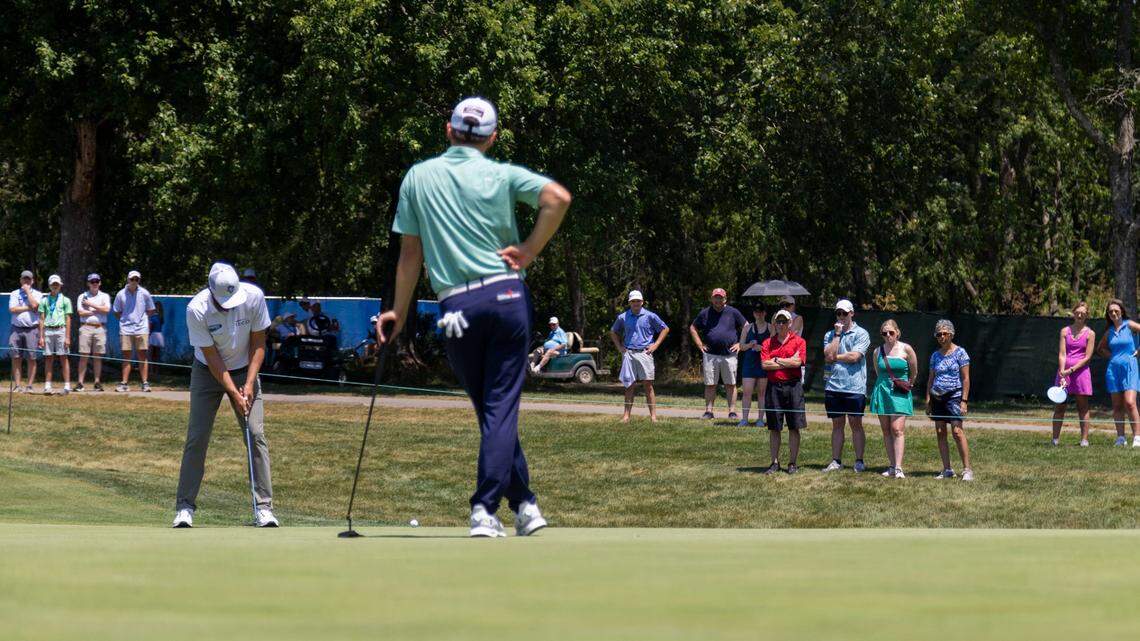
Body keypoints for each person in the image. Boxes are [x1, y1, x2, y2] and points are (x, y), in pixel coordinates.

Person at [376, 96, 572, 538]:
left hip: (456, 309)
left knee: (491, 409)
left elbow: (410, 254)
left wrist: (398, 312)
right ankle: (518, 504)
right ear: (493, 138)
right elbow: (557, 198)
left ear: (448, 131)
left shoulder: (418, 177)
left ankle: (498, 506)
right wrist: (529, 249)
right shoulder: (501, 174)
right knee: (497, 409)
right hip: (507, 299)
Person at [173, 262, 278, 528]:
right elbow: (213, 359)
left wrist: (250, 382)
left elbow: (258, 343)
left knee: (255, 434)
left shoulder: (253, 297)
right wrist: (233, 392)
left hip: (246, 370)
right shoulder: (196, 309)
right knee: (197, 437)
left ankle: (263, 508)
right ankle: (185, 507)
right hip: (207, 371)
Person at [821, 299, 871, 473]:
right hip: (833, 387)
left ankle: (859, 461)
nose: (841, 316)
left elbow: (855, 357)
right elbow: (827, 355)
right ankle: (836, 461)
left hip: (854, 388)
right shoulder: (830, 335)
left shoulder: (862, 333)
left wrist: (836, 357)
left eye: (844, 313)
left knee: (856, 424)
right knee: (837, 425)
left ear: (852, 313)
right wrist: (836, 335)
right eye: (838, 313)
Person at [610, 290, 670, 423]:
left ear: (642, 302)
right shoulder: (623, 317)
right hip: (629, 354)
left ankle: (653, 417)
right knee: (629, 385)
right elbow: (613, 332)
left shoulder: (650, 316)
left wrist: (656, 345)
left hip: (645, 353)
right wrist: (620, 347)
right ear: (629, 303)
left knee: (648, 385)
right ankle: (626, 416)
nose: (636, 303)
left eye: (638, 301)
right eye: (633, 301)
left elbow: (665, 329)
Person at [760, 309, 807, 474]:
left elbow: (798, 362)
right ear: (774, 324)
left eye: (783, 321)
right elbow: (765, 365)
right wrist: (788, 361)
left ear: (790, 323)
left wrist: (777, 360)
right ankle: (774, 462)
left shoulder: (799, 341)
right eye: (778, 322)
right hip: (774, 387)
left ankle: (792, 463)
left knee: (794, 426)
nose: (780, 324)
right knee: (774, 427)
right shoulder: (767, 343)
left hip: (793, 387)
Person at [870, 319, 918, 478]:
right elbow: (878, 372)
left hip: (900, 392)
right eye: (884, 333)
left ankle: (898, 467)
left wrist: (907, 385)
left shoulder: (906, 349)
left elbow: (914, 371)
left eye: (891, 332)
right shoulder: (877, 351)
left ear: (897, 332)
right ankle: (891, 466)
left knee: (897, 429)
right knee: (886, 430)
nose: (888, 335)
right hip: (882, 391)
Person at [926, 319, 973, 480]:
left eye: (944, 333)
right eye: (938, 334)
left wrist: (964, 401)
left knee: (957, 432)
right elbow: (931, 379)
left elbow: (966, 379)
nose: (941, 337)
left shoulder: (960, 353)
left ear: (951, 334)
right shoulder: (935, 355)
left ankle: (967, 470)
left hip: (955, 395)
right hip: (937, 396)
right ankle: (947, 469)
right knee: (940, 432)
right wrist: (928, 401)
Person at [690, 288, 747, 420]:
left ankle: (732, 411)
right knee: (710, 384)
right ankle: (709, 411)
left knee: (731, 384)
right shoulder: (705, 313)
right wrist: (699, 344)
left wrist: (740, 344)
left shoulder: (733, 312)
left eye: (720, 297)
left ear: (725, 299)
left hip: (729, 354)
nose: (718, 300)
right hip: (710, 355)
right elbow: (693, 328)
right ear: (712, 299)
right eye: (715, 297)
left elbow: (746, 325)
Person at [1096, 299, 1140, 447]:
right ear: (1108, 314)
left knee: (1130, 402)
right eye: (1110, 311)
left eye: (1116, 310)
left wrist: (1139, 351)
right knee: (1117, 406)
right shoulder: (1109, 332)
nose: (1113, 313)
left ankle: (1137, 438)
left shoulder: (1130, 325)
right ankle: (1121, 438)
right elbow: (1100, 349)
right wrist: (1113, 357)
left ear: (1121, 311)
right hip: (1113, 371)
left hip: (1130, 368)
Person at [1052, 302, 1095, 447]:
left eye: (1083, 312)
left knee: (1083, 407)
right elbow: (1062, 353)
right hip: (1064, 373)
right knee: (1059, 406)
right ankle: (1055, 440)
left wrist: (1071, 370)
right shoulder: (1064, 331)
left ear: (1087, 315)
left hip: (1081, 373)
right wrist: (1063, 371)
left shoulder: (1090, 333)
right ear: (1074, 313)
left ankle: (1084, 440)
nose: (1080, 314)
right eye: (1078, 312)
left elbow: (1087, 357)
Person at [112, 270, 156, 392]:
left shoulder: (145, 293)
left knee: (142, 355)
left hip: (142, 329)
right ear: (128, 280)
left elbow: (151, 310)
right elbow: (116, 311)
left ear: (139, 281)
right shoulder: (121, 294)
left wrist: (142, 319)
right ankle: (124, 383)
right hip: (126, 329)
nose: (134, 281)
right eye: (132, 279)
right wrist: (125, 319)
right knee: (126, 356)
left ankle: (145, 383)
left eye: (136, 279)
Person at [37, 274, 73, 395]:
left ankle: (67, 385)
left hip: (60, 330)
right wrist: (41, 336)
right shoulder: (44, 301)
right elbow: (41, 319)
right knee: (48, 358)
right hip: (48, 330)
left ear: (60, 285)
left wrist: (67, 337)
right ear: (49, 285)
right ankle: (47, 385)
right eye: (53, 284)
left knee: (63, 357)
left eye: (57, 284)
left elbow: (68, 318)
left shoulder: (65, 300)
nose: (55, 286)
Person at [75, 273, 110, 392]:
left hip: (100, 327)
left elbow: (106, 310)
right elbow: (81, 313)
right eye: (92, 281)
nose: (94, 283)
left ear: (100, 283)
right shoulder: (82, 296)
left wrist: (90, 305)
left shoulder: (105, 296)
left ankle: (97, 382)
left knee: (97, 356)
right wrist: (97, 310)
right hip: (86, 327)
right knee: (83, 355)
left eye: (96, 281)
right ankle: (80, 383)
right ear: (88, 283)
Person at [8, 270, 41, 393]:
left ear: (32, 281)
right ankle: (17, 385)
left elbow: (36, 306)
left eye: (28, 279)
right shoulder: (14, 293)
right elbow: (12, 309)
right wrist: (28, 307)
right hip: (16, 329)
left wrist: (27, 292)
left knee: (31, 358)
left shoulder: (38, 294)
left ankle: (30, 386)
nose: (26, 281)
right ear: (20, 280)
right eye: (24, 279)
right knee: (16, 357)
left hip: (32, 329)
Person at [737, 305, 769, 426]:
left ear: (765, 313)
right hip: (749, 364)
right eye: (756, 312)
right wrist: (750, 345)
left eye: (761, 312)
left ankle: (760, 419)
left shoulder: (770, 328)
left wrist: (763, 348)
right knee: (747, 392)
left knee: (762, 393)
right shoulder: (747, 328)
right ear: (754, 313)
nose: (759, 314)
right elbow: (741, 346)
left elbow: (773, 346)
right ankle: (744, 419)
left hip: (763, 364)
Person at [148, 300, 165, 379]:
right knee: (157, 355)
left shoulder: (153, 317)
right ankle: (156, 371)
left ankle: (151, 371)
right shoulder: (160, 317)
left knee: (151, 355)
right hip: (159, 335)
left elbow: (150, 328)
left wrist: (148, 335)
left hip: (153, 335)